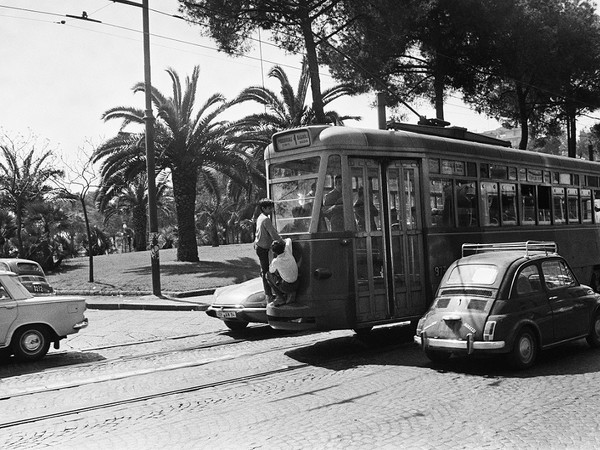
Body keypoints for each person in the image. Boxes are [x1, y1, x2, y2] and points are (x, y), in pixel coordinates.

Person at [254, 198, 281, 303]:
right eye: (269, 208)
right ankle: (269, 296)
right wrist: (282, 242)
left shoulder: (260, 218)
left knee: (265, 271)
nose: (271, 210)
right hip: (263, 248)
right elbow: (273, 234)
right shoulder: (266, 219)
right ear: (263, 208)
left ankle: (269, 295)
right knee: (267, 273)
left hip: (260, 247)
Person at [267, 238, 299, 306]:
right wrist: (282, 240)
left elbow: (271, 271)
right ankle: (291, 293)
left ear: (274, 252)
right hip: (297, 283)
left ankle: (280, 297)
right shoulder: (288, 251)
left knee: (268, 275)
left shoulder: (276, 261)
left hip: (287, 287)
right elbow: (289, 240)